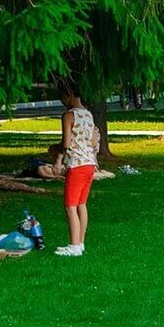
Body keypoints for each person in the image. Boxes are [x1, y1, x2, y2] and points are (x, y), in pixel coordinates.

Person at [56, 88, 99, 257]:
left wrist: (57, 157)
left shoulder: (68, 115)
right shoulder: (88, 114)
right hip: (89, 164)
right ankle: (80, 243)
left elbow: (66, 143)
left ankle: (73, 246)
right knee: (82, 204)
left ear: (71, 94)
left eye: (63, 96)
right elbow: (93, 140)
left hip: (76, 164)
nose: (63, 101)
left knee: (70, 206)